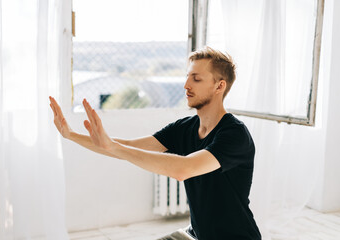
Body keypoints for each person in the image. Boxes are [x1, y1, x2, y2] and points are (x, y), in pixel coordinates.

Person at [49, 46, 261, 240]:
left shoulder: (234, 135)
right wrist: (71, 135)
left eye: (196, 79)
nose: (186, 85)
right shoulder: (185, 127)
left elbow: (183, 169)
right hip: (195, 235)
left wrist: (114, 146)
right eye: (187, 77)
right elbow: (128, 146)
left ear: (219, 86)